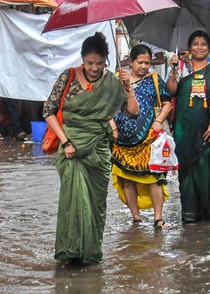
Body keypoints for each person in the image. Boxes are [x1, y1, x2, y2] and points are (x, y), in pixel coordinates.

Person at [43, 32, 139, 266]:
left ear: (106, 61)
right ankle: (69, 252)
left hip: (98, 152)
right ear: (82, 60)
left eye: (99, 63)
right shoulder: (68, 77)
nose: (94, 68)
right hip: (71, 149)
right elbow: (48, 111)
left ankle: (90, 253)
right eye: (89, 63)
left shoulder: (114, 84)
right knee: (71, 202)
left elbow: (134, 112)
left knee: (96, 205)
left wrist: (129, 87)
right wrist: (65, 141)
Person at [168, 30, 210, 224]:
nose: (199, 47)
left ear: (209, 48)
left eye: (203, 44)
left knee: (206, 170)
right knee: (186, 172)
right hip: (183, 130)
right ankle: (189, 214)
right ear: (189, 48)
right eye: (195, 44)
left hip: (208, 130)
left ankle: (209, 215)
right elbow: (170, 91)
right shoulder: (180, 68)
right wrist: (173, 71)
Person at [111, 44, 172, 230]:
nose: (144, 66)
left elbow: (167, 104)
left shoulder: (154, 80)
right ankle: (136, 217)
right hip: (122, 140)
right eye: (140, 62)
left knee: (154, 179)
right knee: (127, 179)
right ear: (131, 61)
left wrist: (159, 120)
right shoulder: (117, 80)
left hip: (148, 139)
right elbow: (107, 106)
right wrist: (112, 126)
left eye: (147, 62)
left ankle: (158, 218)